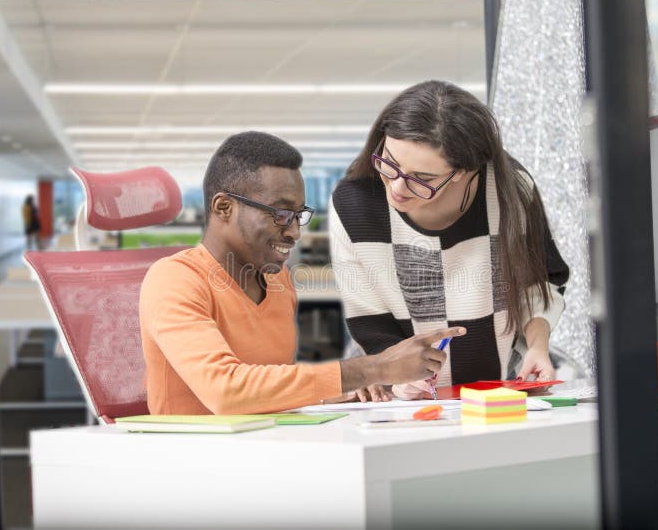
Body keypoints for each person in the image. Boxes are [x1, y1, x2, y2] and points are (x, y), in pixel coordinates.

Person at [139, 131, 465, 415]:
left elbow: (266, 384)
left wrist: (338, 392)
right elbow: (226, 391)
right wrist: (371, 368)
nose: (295, 232)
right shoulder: (174, 279)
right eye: (281, 214)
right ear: (224, 207)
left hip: (265, 443)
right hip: (189, 457)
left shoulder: (277, 281)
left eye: (299, 215)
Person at [329, 80, 570, 400]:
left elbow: (537, 283)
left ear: (464, 170)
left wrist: (537, 347)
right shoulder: (353, 204)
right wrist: (398, 377)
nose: (397, 188)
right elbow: (369, 320)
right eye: (390, 163)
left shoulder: (511, 190)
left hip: (494, 396)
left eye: (422, 179)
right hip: (400, 404)